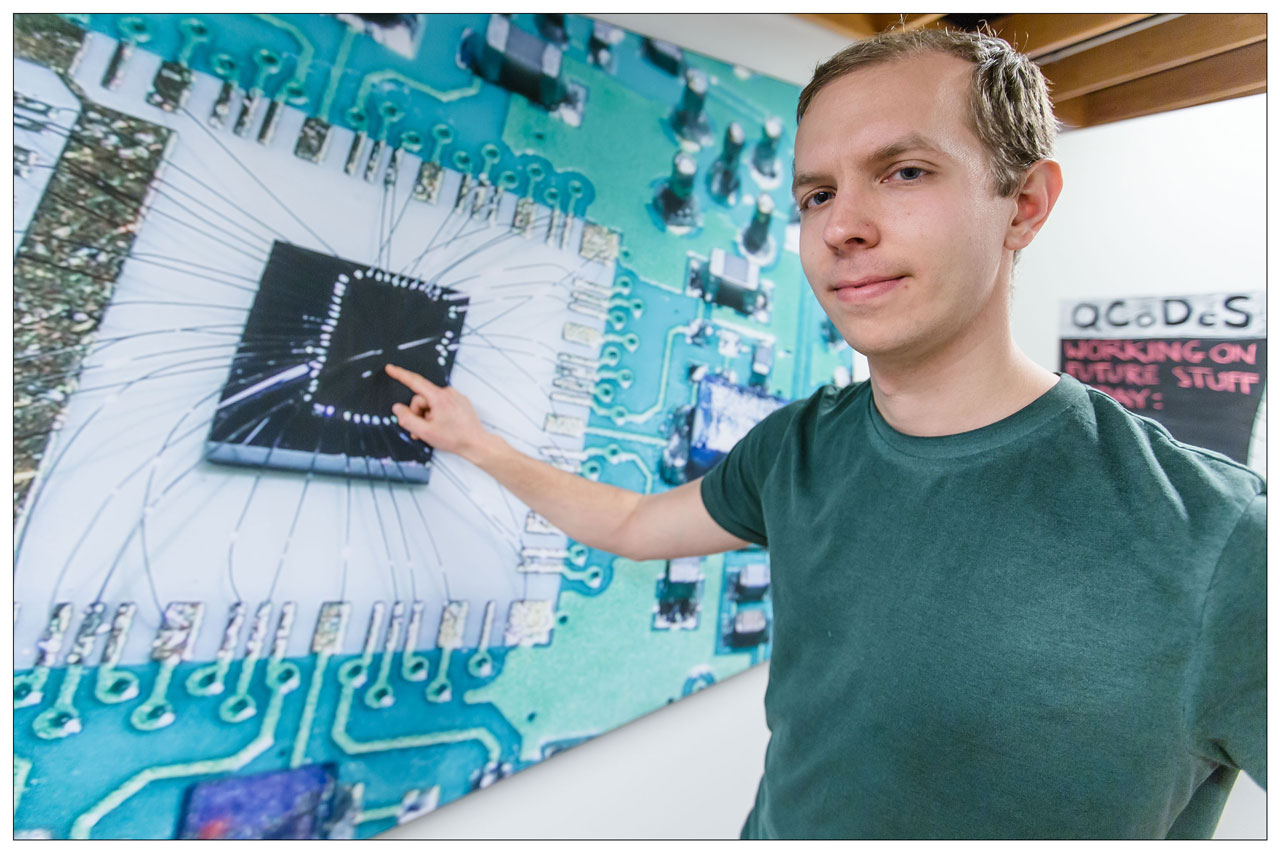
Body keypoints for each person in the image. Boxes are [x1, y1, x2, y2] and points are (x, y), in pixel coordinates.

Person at [385, 27, 1265, 840]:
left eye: (905, 171)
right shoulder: (796, 446)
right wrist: (474, 442)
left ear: (1025, 205)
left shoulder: (1219, 541)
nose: (842, 227)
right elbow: (630, 524)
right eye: (817, 193)